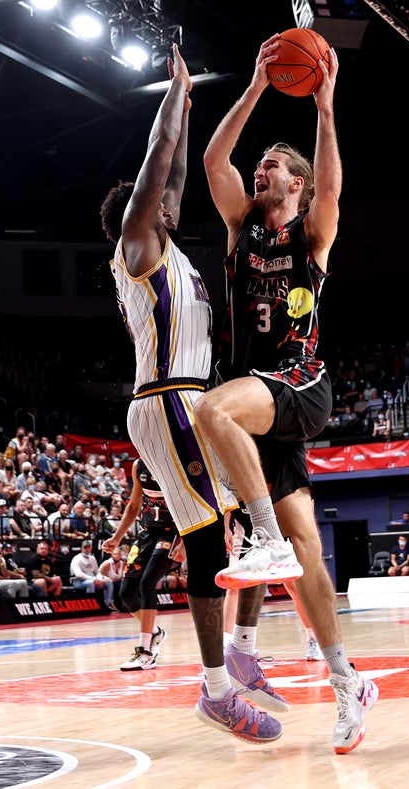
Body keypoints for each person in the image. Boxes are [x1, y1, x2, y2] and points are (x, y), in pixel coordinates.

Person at [199, 34, 376, 754]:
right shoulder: (240, 228)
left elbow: (332, 186)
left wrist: (324, 108)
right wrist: (254, 85)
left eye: (273, 164)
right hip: (263, 406)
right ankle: (347, 681)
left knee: (211, 408)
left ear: (295, 184)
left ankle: (262, 539)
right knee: (307, 555)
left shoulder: (311, 233)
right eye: (261, 164)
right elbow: (213, 161)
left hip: (297, 383)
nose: (261, 168)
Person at [100, 44, 280, 744]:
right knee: (211, 545)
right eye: (162, 198)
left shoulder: (169, 249)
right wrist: (174, 95)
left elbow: (171, 169)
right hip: (169, 399)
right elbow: (160, 159)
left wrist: (189, 108)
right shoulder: (137, 245)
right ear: (141, 214)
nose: (173, 196)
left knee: (241, 541)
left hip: (191, 403)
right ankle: (215, 688)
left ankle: (239, 656)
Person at [103, 459, 175, 669]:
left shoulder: (173, 462)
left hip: (171, 535)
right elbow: (134, 505)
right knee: (126, 593)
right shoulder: (138, 466)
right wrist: (117, 538)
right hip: (147, 534)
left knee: (147, 582)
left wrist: (184, 542)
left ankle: (145, 651)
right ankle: (155, 633)